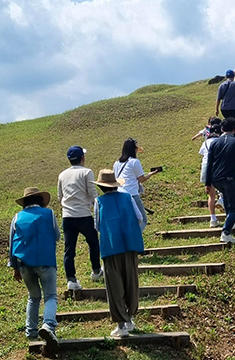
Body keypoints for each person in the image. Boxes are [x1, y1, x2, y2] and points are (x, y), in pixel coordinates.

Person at [93, 169, 144, 338]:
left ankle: (121, 324)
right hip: (130, 244)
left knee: (114, 285)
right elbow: (139, 218)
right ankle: (129, 318)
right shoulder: (127, 197)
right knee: (131, 281)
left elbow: (97, 225)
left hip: (111, 246)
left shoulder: (98, 202)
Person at [9, 187, 60, 352]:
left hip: (24, 263)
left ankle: (30, 331)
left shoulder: (17, 217)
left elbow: (11, 244)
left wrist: (15, 267)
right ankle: (48, 325)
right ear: (40, 200)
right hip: (46, 261)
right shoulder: (49, 214)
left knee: (33, 297)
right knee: (51, 296)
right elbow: (57, 236)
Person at [58, 146, 103, 291]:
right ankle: (96, 271)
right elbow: (92, 193)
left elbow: (60, 196)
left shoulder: (62, 174)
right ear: (82, 158)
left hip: (68, 216)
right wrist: (94, 207)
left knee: (69, 249)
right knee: (93, 243)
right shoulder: (87, 172)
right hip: (83, 214)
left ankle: (71, 280)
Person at [205, 118, 235, 244]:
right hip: (229, 178)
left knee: (226, 199)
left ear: (221, 129)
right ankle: (226, 232)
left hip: (216, 179)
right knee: (233, 209)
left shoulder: (214, 143)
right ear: (234, 129)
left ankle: (230, 222)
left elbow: (209, 164)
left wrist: (207, 183)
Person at [113, 138, 159, 230]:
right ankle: (134, 238)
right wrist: (150, 174)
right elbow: (141, 179)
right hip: (132, 194)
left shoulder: (116, 163)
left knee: (126, 221)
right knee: (142, 219)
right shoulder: (134, 162)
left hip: (119, 195)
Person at [199, 123, 223, 227]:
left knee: (211, 195)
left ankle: (213, 218)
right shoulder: (220, 141)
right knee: (224, 188)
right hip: (217, 166)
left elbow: (202, 155)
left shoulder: (205, 143)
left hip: (205, 166)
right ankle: (222, 200)